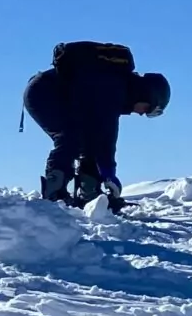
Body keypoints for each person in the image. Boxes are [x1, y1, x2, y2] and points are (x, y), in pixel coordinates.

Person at [21, 49, 169, 210]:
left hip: (60, 97)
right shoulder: (114, 89)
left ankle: (90, 196)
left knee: (88, 142)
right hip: (42, 92)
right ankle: (54, 194)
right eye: (148, 109)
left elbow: (101, 136)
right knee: (70, 137)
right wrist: (109, 173)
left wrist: (107, 171)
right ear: (146, 95)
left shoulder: (117, 89)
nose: (142, 114)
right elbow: (107, 135)